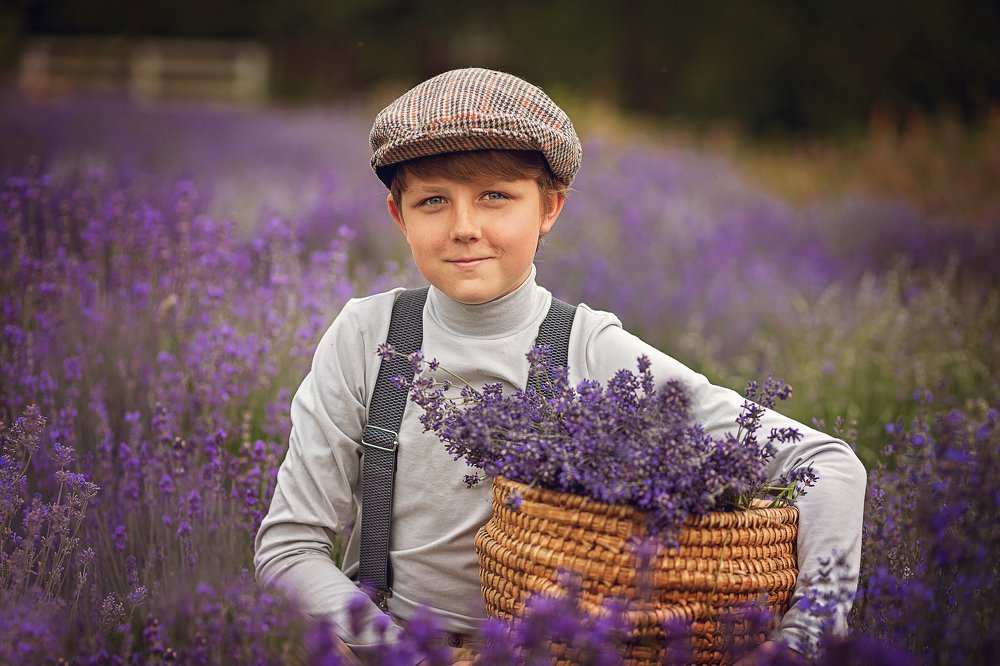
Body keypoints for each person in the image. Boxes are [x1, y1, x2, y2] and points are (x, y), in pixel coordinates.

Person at [253, 67, 867, 664]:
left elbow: (827, 463)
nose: (464, 228)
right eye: (433, 201)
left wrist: (806, 637)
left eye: (496, 197)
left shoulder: (592, 352)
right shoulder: (368, 338)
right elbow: (289, 547)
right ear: (399, 216)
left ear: (550, 208)